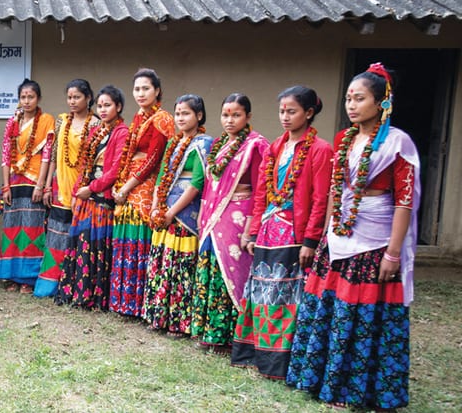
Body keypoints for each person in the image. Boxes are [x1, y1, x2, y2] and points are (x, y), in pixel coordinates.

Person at [287, 63, 419, 410]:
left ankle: (358, 389)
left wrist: (393, 253)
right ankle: (320, 381)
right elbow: (335, 191)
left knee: (364, 316)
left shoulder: (397, 143)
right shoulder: (346, 140)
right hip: (340, 236)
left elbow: (404, 202)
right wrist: (327, 235)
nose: (351, 105)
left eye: (359, 99)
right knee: (328, 307)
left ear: (382, 102)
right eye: (348, 98)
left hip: (375, 241)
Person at [232, 86, 332, 378]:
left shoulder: (320, 149)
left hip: (295, 233)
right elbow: (262, 192)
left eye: (292, 111)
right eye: (282, 111)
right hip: (268, 231)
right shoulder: (276, 146)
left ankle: (280, 363)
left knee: (286, 296)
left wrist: (311, 241)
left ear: (309, 113)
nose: (285, 117)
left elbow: (319, 198)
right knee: (262, 293)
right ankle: (256, 354)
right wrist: (253, 230)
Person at [192, 93, 269, 351]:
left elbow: (261, 190)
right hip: (214, 217)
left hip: (238, 217)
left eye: (236, 115)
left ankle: (232, 336)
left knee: (233, 273)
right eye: (225, 114)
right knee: (211, 269)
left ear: (248, 117)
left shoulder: (255, 146)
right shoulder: (220, 145)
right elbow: (210, 185)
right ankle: (209, 333)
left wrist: (251, 227)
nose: (230, 120)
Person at [142, 94, 213, 335]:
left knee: (180, 268)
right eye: (178, 113)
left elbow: (196, 183)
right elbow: (162, 176)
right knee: (162, 265)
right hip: (165, 211)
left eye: (186, 113)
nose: (181, 118)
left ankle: (178, 323)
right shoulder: (173, 143)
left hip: (185, 215)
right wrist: (155, 205)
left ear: (199, 116)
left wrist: (172, 211)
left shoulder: (204, 144)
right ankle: (157, 317)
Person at [56, 85, 129, 310]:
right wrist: (80, 191)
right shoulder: (97, 130)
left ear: (118, 107)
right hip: (86, 195)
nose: (103, 109)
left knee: (97, 247)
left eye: (108, 105)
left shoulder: (122, 132)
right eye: (100, 105)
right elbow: (84, 165)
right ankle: (78, 293)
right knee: (81, 244)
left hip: (102, 196)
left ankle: (94, 298)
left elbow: (115, 169)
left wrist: (92, 188)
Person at [110, 68, 175, 317]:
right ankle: (121, 300)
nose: (140, 93)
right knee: (125, 239)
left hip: (146, 186)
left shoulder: (163, 119)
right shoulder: (138, 117)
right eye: (137, 89)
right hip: (129, 181)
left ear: (157, 91)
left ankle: (138, 303)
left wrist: (126, 188)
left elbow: (153, 159)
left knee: (139, 240)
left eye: (146, 88)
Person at [34, 79, 98, 298]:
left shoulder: (96, 124)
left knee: (79, 237)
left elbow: (95, 161)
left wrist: (86, 187)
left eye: (77, 97)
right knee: (56, 236)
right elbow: (54, 155)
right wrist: (48, 186)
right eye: (69, 97)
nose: (72, 101)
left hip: (83, 189)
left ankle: (74, 286)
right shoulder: (61, 121)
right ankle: (49, 286)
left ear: (88, 98)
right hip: (60, 185)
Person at [0, 79, 54, 294]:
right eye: (23, 97)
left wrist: (41, 185)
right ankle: (12, 276)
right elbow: (5, 156)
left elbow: (47, 155)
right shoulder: (13, 122)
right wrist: (5, 186)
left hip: (33, 181)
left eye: (31, 97)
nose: (27, 101)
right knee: (12, 228)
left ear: (38, 98)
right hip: (14, 180)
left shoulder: (46, 121)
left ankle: (28, 279)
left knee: (32, 229)